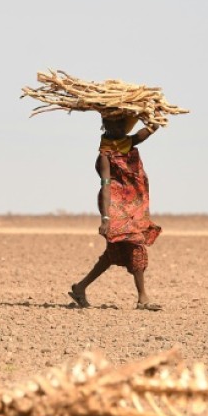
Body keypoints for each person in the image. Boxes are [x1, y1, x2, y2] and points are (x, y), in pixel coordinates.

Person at [68, 113, 163, 311]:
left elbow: (146, 133)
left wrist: (155, 116)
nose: (117, 129)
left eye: (120, 125)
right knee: (136, 246)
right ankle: (143, 298)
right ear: (104, 125)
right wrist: (105, 218)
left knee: (113, 254)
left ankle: (80, 287)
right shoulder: (105, 155)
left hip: (134, 206)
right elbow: (106, 187)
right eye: (111, 125)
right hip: (116, 208)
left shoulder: (126, 143)